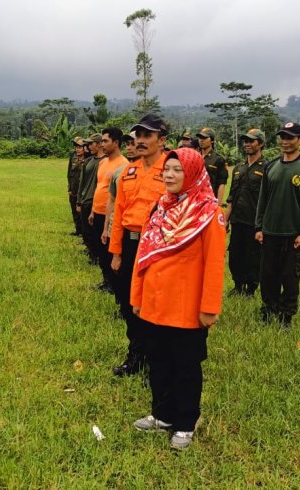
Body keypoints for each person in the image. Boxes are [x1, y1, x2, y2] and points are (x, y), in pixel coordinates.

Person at [130, 147, 226, 450]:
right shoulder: (159, 208)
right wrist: (137, 296)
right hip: (155, 304)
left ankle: (185, 423)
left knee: (185, 366)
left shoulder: (210, 213)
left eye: (177, 170)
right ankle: (162, 415)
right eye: (166, 169)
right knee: (158, 362)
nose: (169, 175)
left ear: (193, 173)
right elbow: (143, 255)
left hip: (186, 309)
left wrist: (209, 308)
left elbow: (213, 264)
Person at [109, 115, 169, 376]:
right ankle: (135, 357)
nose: (141, 141)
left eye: (147, 136)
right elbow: (119, 213)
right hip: (129, 244)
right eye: (138, 136)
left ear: (162, 140)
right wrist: (116, 252)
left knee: (154, 306)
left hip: (157, 248)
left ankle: (156, 362)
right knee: (128, 304)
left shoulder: (172, 170)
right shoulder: (129, 172)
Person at [254, 122, 300, 328]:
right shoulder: (271, 166)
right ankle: (268, 309)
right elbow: (262, 199)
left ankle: (286, 315)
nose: (285, 141)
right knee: (268, 275)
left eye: (290, 137)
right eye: (282, 137)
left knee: (290, 278)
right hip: (270, 231)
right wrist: (258, 227)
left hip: (293, 233)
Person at [225, 128, 267, 296]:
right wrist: (226, 220)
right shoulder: (238, 168)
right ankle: (238, 285)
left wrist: (263, 225)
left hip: (254, 222)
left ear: (261, 144)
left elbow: (268, 199)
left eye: (252, 141)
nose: (247, 144)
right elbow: (231, 196)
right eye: (246, 141)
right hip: (237, 219)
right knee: (235, 254)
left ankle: (251, 288)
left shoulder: (267, 168)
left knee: (253, 256)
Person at [90, 128, 128, 293]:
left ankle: (114, 284)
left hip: (110, 216)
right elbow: (99, 187)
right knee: (100, 250)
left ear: (116, 143)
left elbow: (117, 197)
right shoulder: (103, 162)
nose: (102, 144)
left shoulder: (123, 165)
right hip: (97, 212)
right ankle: (106, 280)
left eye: (105, 141)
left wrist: (109, 222)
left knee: (110, 252)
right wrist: (92, 210)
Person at [76, 134, 104, 263]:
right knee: (86, 230)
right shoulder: (88, 161)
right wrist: (79, 201)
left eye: (91, 144)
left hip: (98, 201)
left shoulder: (106, 162)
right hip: (86, 200)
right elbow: (82, 182)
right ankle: (93, 253)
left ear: (98, 144)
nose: (88, 146)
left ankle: (98, 255)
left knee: (97, 232)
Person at [196, 127, 229, 201]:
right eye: (200, 138)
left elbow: (222, 183)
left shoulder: (218, 159)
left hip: (210, 199)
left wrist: (218, 204)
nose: (201, 140)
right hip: (195, 199)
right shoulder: (195, 157)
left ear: (212, 140)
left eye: (204, 138)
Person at [67, 137, 88, 236]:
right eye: (76, 147)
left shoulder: (89, 158)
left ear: (84, 148)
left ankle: (84, 232)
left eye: (80, 147)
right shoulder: (73, 157)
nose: (77, 149)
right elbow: (69, 173)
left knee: (82, 212)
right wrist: (69, 188)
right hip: (73, 188)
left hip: (83, 190)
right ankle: (78, 230)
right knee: (74, 210)